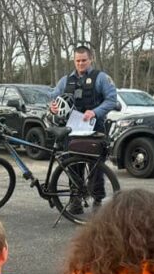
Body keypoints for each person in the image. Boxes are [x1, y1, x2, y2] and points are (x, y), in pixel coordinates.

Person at [50, 45, 118, 214]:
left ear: (91, 60)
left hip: (95, 129)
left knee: (95, 166)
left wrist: (94, 112)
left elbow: (112, 100)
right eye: (77, 60)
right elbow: (53, 98)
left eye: (84, 60)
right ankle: (75, 200)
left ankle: (97, 200)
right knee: (73, 166)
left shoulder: (101, 78)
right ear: (74, 60)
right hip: (71, 130)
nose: (80, 64)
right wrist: (52, 107)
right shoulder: (65, 80)